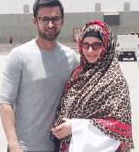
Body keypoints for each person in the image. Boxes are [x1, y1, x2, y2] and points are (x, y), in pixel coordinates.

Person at [0, 0, 80, 152]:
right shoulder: (19, 56)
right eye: (44, 19)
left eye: (55, 19)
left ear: (62, 21)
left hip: (60, 147)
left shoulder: (71, 58)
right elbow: (5, 103)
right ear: (35, 21)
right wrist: (13, 144)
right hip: (25, 147)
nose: (50, 24)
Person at [51, 20, 134, 152]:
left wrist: (75, 127)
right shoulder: (79, 73)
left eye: (96, 45)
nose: (90, 50)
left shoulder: (114, 79)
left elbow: (120, 127)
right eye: (86, 45)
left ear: (106, 46)